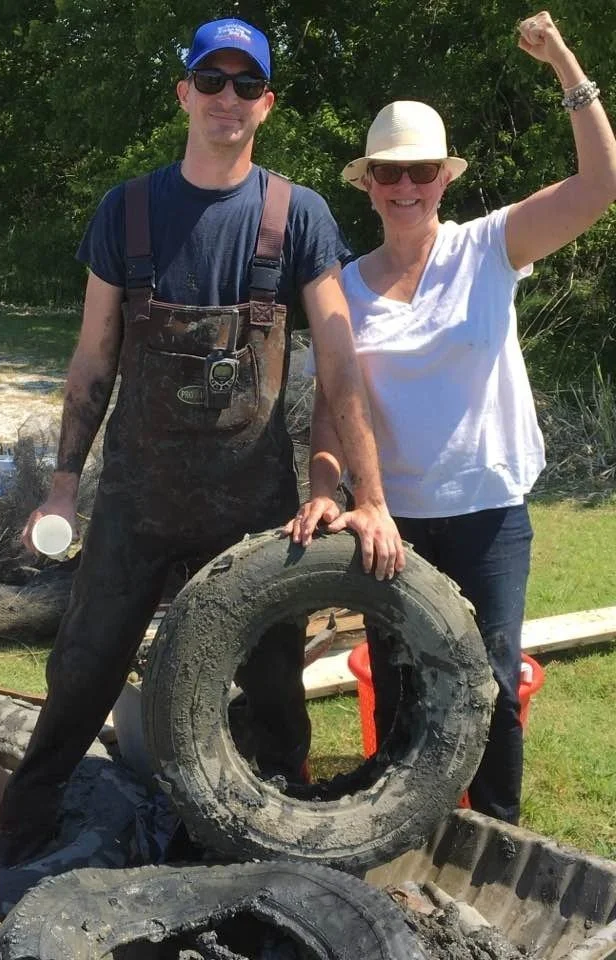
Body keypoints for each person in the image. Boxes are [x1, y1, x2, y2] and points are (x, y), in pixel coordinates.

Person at [0, 17, 403, 866]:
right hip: (136, 506)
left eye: (245, 85)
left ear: (267, 104)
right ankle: (18, 839)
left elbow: (337, 362)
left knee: (272, 697)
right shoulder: (127, 211)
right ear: (183, 93)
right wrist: (66, 485)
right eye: (210, 82)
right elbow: (91, 361)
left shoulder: (300, 216)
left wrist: (371, 499)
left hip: (253, 513)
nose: (227, 98)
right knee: (81, 673)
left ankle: (272, 852)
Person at [291, 11, 616, 824]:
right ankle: (403, 832)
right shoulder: (343, 285)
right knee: (401, 689)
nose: (407, 187)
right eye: (390, 174)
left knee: (493, 686)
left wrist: (566, 69)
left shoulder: (491, 247)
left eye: (423, 171)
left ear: (445, 178)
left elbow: (600, 185)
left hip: (489, 518)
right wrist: (328, 488)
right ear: (365, 182)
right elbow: (333, 407)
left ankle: (497, 833)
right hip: (390, 523)